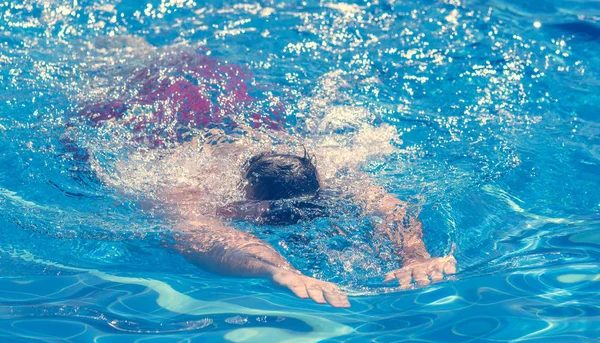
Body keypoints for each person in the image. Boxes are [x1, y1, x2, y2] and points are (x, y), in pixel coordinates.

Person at [80, 47, 456, 308]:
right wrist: (278, 269)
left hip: (240, 110)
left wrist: (415, 256)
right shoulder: (189, 180)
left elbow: (391, 208)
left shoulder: (333, 175)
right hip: (158, 118)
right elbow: (197, 232)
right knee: (117, 70)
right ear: (245, 195)